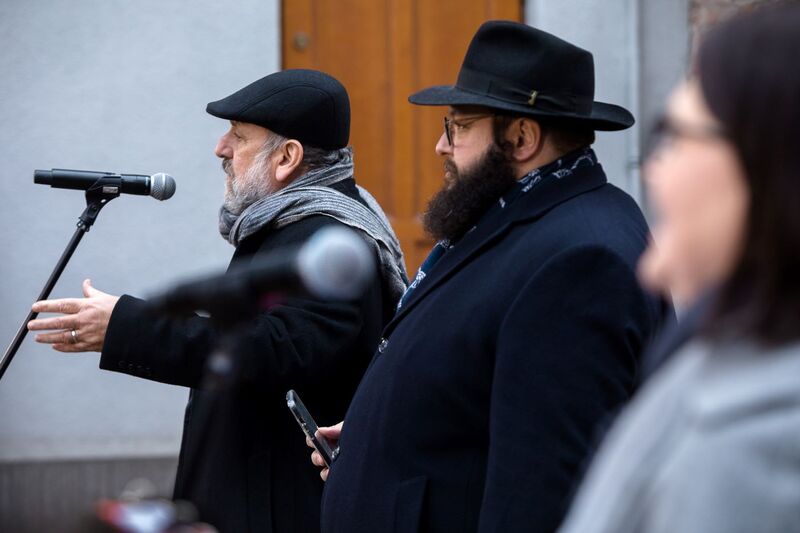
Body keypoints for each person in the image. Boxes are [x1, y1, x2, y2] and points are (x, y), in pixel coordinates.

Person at [312, 21, 670, 532]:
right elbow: (483, 382)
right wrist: (382, 433)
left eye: (457, 127)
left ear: (521, 137)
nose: (441, 146)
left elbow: (541, 495)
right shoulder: (523, 215)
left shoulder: (579, 261)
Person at [27, 69, 407, 533]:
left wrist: (126, 326)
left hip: (278, 507)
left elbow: (275, 348)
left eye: (239, 136)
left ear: (288, 156)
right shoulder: (293, 225)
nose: (220, 148)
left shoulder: (328, 239)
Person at [558, 3, 800, 532]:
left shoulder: (759, 441)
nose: (654, 166)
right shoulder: (722, 359)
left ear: (766, 164)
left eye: (672, 134)